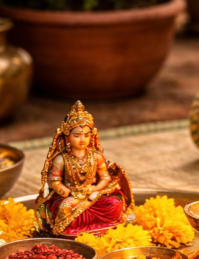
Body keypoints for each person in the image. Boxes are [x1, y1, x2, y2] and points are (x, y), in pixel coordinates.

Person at [34, 101, 132, 236]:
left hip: (92, 194)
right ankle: (73, 231)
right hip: (71, 196)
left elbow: (105, 178)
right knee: (63, 209)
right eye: (77, 135)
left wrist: (94, 189)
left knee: (115, 204)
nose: (82, 139)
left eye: (86, 135)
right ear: (67, 137)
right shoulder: (61, 159)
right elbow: (54, 181)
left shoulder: (97, 157)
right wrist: (65, 192)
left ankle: (100, 227)